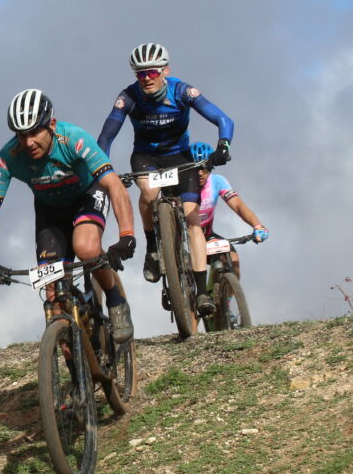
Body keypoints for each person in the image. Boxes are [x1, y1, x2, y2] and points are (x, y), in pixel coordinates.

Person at [0, 88, 138, 342]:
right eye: (21, 135)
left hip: (86, 196)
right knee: (53, 297)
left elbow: (114, 186)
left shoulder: (74, 139)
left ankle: (116, 300)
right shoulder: (7, 158)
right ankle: (71, 362)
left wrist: (126, 235)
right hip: (50, 209)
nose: (28, 143)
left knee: (86, 248)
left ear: (51, 124)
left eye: (35, 132)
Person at [97, 43, 234, 318]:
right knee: (148, 192)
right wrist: (102, 166)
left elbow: (223, 119)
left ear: (165, 70)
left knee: (192, 218)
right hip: (146, 158)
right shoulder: (129, 97)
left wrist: (224, 146)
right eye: (140, 73)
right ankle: (152, 249)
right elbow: (106, 137)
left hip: (180, 158)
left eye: (152, 72)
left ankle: (201, 290)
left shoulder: (182, 91)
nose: (146, 78)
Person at [190, 141, 269, 279]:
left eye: (205, 167)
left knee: (233, 260)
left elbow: (238, 205)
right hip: (184, 239)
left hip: (207, 236)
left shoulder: (217, 181)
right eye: (195, 168)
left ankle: (222, 298)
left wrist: (257, 225)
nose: (200, 173)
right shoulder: (181, 185)